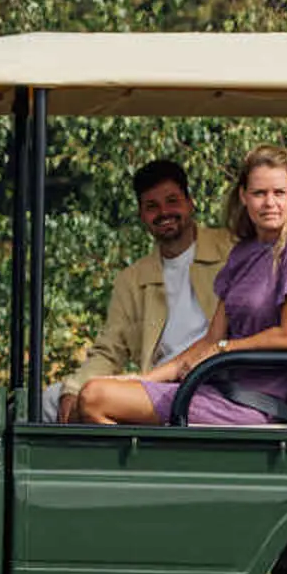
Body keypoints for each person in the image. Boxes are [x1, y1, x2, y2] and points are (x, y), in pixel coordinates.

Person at [73, 147, 287, 426]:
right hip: (215, 389)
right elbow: (210, 340)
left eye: (279, 193)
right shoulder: (244, 252)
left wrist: (225, 348)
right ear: (244, 197)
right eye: (259, 193)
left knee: (94, 398)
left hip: (254, 403)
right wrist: (144, 379)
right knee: (91, 396)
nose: (270, 203)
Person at [45, 161, 235, 420]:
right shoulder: (133, 279)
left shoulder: (231, 251)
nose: (164, 212)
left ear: (190, 203)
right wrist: (73, 388)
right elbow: (109, 350)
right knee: (50, 400)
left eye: (172, 201)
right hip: (155, 384)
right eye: (152, 207)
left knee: (94, 399)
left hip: (212, 379)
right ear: (141, 215)